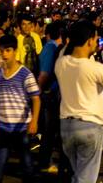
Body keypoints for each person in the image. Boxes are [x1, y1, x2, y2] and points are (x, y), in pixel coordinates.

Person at [55, 20, 103, 183]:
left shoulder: (61, 63)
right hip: (90, 126)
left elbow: (69, 50)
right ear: (89, 41)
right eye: (95, 39)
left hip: (66, 126)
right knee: (85, 178)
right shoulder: (95, 68)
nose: (97, 42)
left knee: (78, 174)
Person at [0, 35, 41, 183]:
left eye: (8, 50)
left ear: (15, 51)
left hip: (21, 127)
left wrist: (34, 121)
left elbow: (36, 99)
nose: (4, 54)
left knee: (27, 165)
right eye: (2, 50)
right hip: (3, 126)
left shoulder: (25, 74)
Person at [37, 21, 65, 174]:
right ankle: (44, 161)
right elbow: (45, 73)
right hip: (50, 95)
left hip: (53, 94)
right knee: (50, 130)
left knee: (52, 130)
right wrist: (40, 92)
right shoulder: (51, 48)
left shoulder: (53, 47)